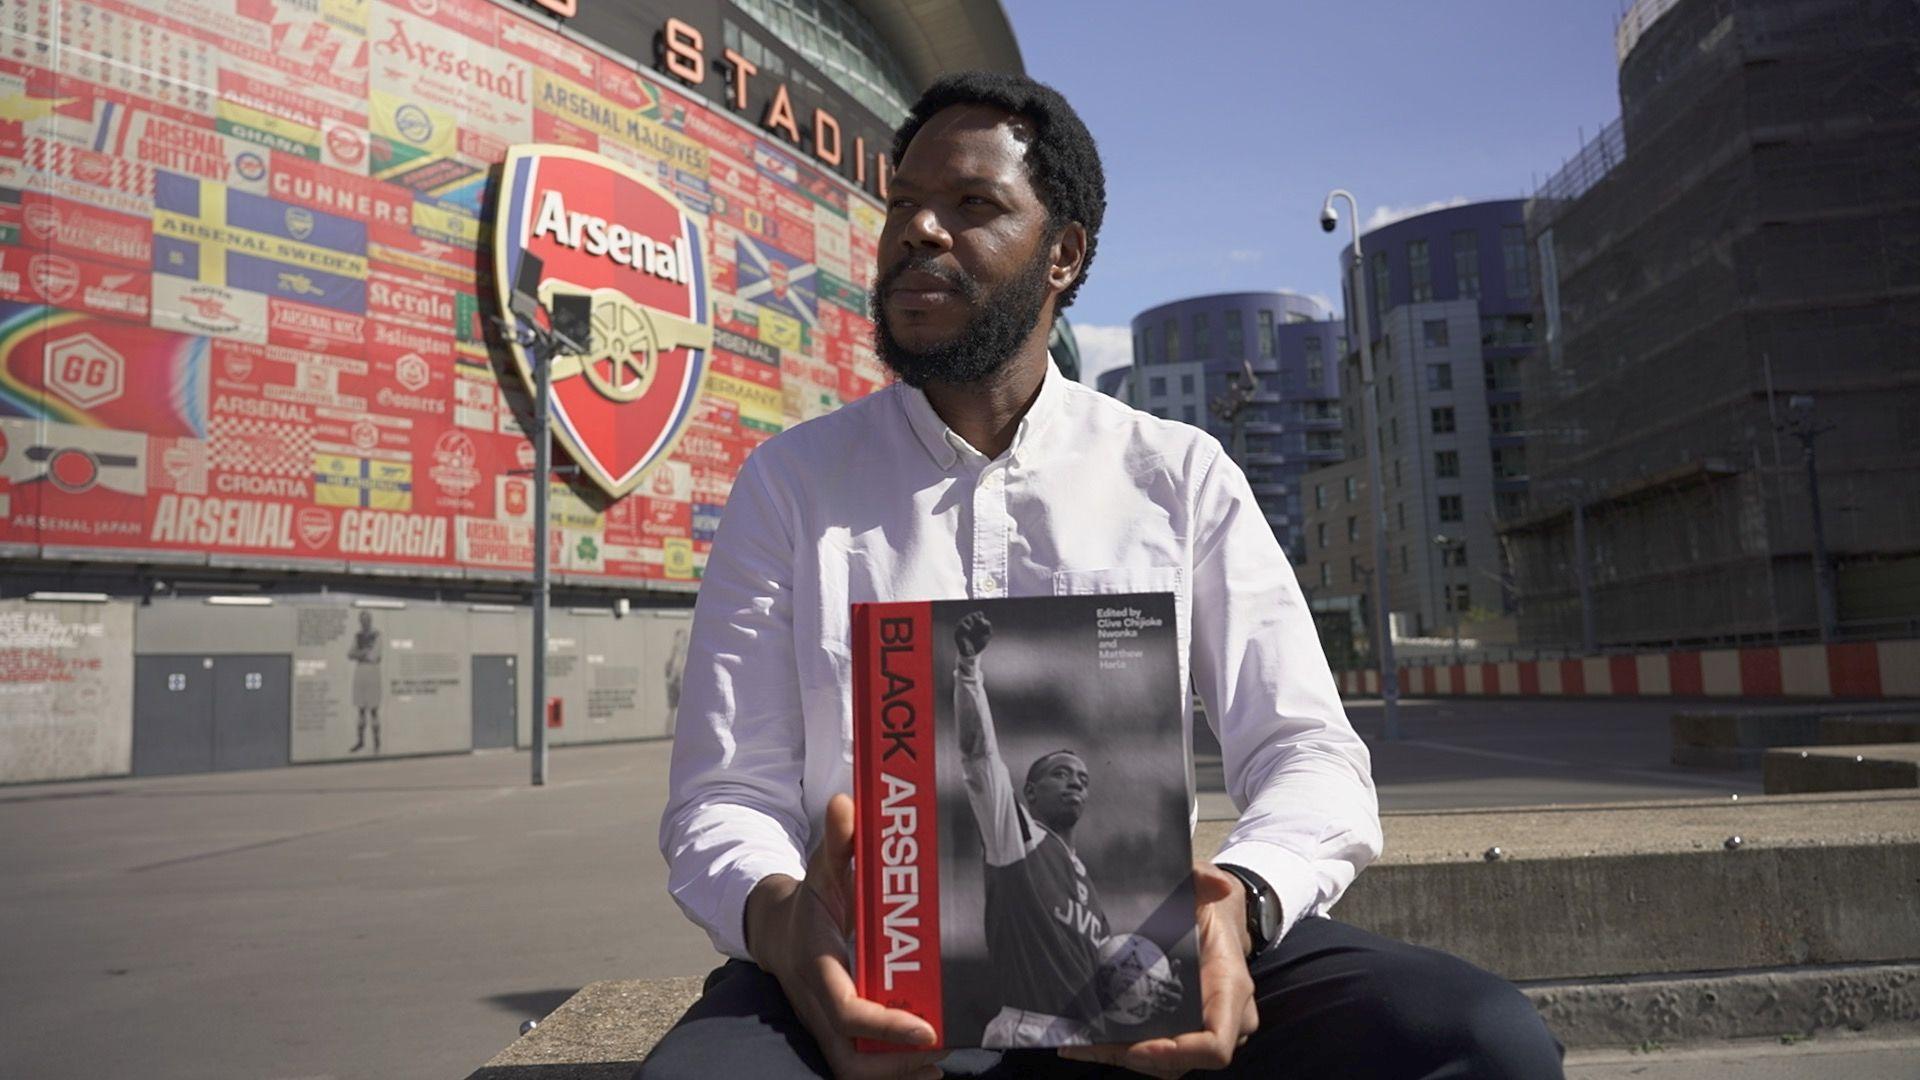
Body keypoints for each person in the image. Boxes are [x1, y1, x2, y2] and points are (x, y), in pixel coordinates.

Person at [647, 71, 1564, 1079]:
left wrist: (1239, 908)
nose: (918, 231)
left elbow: (1311, 754)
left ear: (1064, 255)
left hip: (1144, 967)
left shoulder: (1179, 477)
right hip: (860, 964)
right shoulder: (791, 485)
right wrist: (784, 925)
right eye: (903, 203)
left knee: (1481, 1045)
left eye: (972, 205)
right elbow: (722, 797)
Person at [950, 611, 1179, 1049]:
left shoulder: (1086, 887)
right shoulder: (1017, 841)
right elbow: (978, 755)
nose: (1076, 781)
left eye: (1083, 778)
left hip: (1083, 1036)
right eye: (1061, 773)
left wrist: (1149, 991)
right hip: (1030, 1031)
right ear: (1030, 793)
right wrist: (968, 671)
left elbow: (1094, 986)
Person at [348, 610, 382, 754]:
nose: (365, 622)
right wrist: (363, 653)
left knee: (373, 710)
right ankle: (360, 741)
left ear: (371, 620)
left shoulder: (377, 635)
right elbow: (350, 654)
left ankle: (376, 743)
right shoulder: (358, 636)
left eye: (367, 619)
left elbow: (375, 656)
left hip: (372, 672)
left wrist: (360, 654)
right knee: (361, 709)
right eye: (362, 620)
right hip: (360, 672)